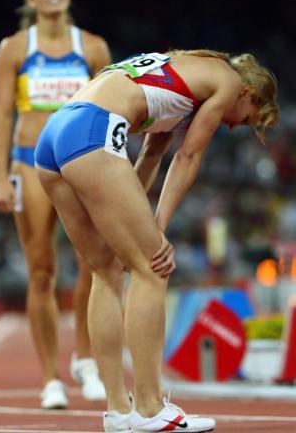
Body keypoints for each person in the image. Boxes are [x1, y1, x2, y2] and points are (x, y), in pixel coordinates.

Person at [33, 50, 277, 432]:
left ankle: (118, 412)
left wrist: (143, 225)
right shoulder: (227, 83)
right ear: (247, 92)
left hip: (56, 134)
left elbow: (150, 154)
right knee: (153, 269)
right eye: (245, 119)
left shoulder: (180, 75)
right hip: (93, 132)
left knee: (106, 270)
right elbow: (189, 157)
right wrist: (154, 233)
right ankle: (148, 407)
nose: (233, 125)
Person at [0, 0, 111, 408]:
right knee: (41, 271)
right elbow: (3, 115)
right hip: (29, 161)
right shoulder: (15, 48)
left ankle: (86, 359)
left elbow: (109, 109)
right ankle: (50, 379)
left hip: (82, 163)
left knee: (93, 264)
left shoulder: (94, 48)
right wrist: (1, 177)